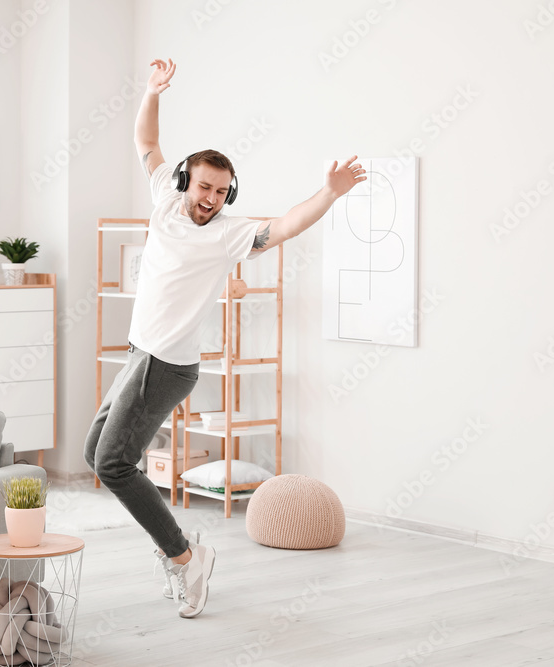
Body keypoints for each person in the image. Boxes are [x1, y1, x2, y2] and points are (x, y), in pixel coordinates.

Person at [83, 58, 366, 619]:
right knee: (98, 454)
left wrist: (328, 193)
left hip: (165, 364)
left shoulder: (231, 235)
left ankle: (187, 558)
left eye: (221, 190)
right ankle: (178, 551)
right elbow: (146, 139)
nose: (211, 197)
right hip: (142, 352)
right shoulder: (167, 193)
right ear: (188, 181)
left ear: (229, 194)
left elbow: (283, 226)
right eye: (204, 186)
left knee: (115, 464)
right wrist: (152, 90)